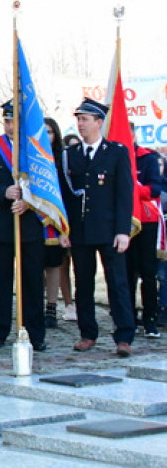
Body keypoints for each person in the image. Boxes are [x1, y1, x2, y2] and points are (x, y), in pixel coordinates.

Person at [61, 98, 136, 356]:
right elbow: (66, 197)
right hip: (80, 230)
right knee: (83, 283)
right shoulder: (69, 155)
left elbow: (124, 194)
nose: (80, 124)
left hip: (109, 229)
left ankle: (124, 335)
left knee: (118, 283)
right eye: (78, 119)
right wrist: (64, 229)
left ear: (99, 122)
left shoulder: (116, 152)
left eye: (85, 119)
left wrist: (123, 230)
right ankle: (87, 333)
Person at [0, 101, 47, 352]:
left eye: (14, 121)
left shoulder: (36, 149)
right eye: (6, 121)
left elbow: (47, 182)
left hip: (30, 226)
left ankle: (35, 333)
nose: (10, 126)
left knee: (33, 283)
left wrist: (29, 201)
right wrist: (2, 192)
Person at [128, 122, 163, 338]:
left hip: (146, 221)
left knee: (148, 273)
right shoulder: (115, 156)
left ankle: (150, 319)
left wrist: (134, 189)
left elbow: (155, 189)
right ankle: (128, 318)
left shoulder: (147, 157)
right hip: (124, 222)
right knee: (126, 273)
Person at [42, 117, 74, 328]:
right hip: (33, 216)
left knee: (55, 263)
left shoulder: (63, 158)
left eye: (50, 132)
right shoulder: (26, 156)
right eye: (42, 132)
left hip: (56, 218)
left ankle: (52, 307)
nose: (46, 136)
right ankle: (34, 304)